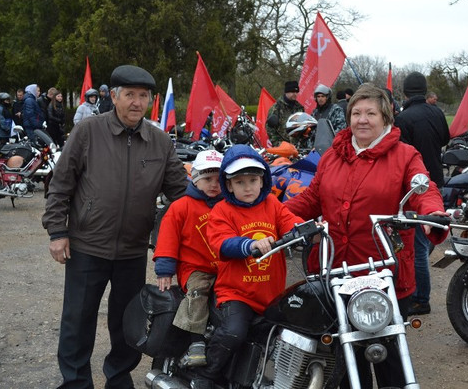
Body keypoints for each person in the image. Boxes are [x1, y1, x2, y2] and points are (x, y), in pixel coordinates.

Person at [285, 84, 447, 388]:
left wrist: (433, 214)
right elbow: (311, 200)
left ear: (385, 117)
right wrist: (272, 215)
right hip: (335, 272)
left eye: (370, 113)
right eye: (356, 112)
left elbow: (423, 189)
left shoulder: (405, 155)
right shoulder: (333, 155)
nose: (362, 119)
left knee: (387, 356)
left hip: (384, 273)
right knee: (343, 359)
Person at [42, 64, 188, 389]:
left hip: (133, 251)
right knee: (77, 322)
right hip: (87, 246)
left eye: (143, 96)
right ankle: (76, 382)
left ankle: (119, 379)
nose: (137, 102)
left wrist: (216, 203)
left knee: (127, 323)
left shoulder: (160, 142)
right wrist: (57, 231)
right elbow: (61, 183)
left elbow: (181, 194)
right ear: (114, 96)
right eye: (130, 95)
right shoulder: (88, 132)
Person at [191, 144, 303, 389]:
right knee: (234, 332)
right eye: (240, 182)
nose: (248, 186)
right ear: (228, 185)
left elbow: (290, 222)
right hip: (236, 293)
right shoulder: (222, 210)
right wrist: (248, 245)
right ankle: (207, 375)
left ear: (263, 180)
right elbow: (221, 242)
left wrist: (309, 229)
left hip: (272, 295)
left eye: (253, 179)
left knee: (296, 333)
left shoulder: (272, 205)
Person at [153, 149, 224, 367]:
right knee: (198, 293)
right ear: (195, 179)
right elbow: (167, 238)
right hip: (195, 267)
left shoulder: (228, 206)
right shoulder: (181, 207)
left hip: (225, 266)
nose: (213, 184)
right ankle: (196, 342)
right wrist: (165, 270)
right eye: (207, 179)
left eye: (218, 179)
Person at [394, 72, 450, 317]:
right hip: (436, 181)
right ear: (425, 91)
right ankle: (418, 287)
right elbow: (446, 138)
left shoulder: (403, 118)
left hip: (416, 187)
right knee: (422, 242)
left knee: (417, 248)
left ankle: (420, 299)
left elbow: (402, 153)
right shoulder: (436, 112)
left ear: (405, 93)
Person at [266, 80, 304, 146]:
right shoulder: (277, 108)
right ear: (286, 92)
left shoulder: (300, 108)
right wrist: (277, 143)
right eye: (292, 92)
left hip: (297, 146)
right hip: (282, 146)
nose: (295, 94)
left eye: (296, 92)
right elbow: (269, 128)